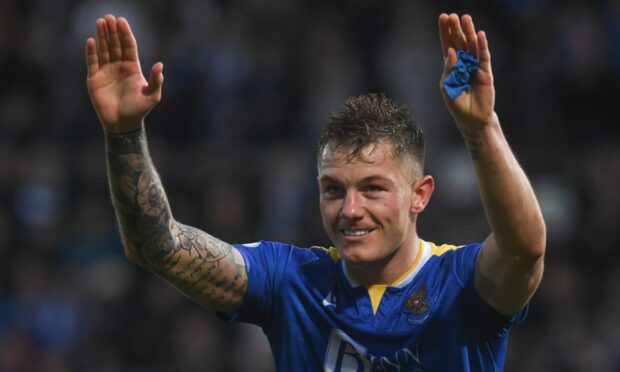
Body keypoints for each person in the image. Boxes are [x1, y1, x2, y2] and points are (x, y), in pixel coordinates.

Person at [85, 12, 545, 371]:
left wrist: (481, 128)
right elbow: (157, 246)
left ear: (420, 195)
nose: (350, 210)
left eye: (373, 189)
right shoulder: (292, 282)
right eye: (332, 189)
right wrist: (125, 134)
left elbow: (524, 249)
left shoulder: (459, 284)